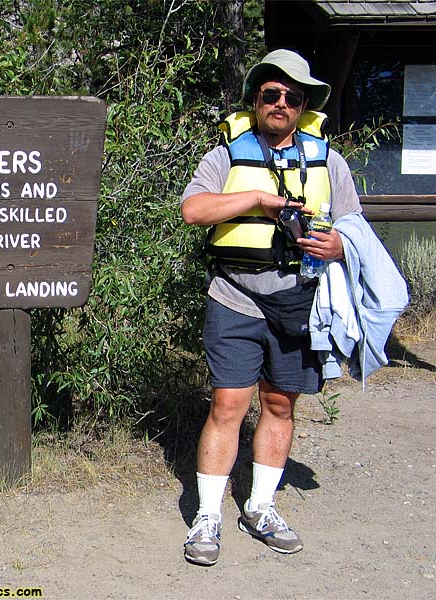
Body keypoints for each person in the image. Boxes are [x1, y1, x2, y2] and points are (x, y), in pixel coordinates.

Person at [180, 49, 363, 566]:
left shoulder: (329, 160)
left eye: (292, 96)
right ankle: (209, 516)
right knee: (228, 406)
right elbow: (194, 209)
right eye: (271, 94)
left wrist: (338, 247)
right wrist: (257, 199)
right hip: (234, 297)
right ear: (255, 100)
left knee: (281, 405)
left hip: (300, 301)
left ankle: (260, 507)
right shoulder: (226, 155)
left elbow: (355, 230)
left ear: (304, 105)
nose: (281, 103)